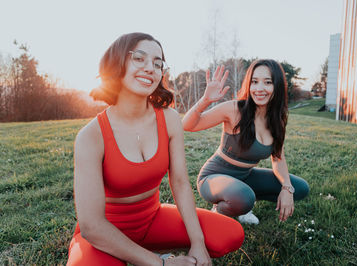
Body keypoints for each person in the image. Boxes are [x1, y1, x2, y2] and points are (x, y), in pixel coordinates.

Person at [67, 33, 244, 266]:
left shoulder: (169, 118)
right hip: (105, 231)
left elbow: (180, 182)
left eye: (158, 63)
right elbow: (92, 226)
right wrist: (161, 263)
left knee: (229, 233)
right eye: (139, 59)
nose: (150, 68)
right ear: (117, 63)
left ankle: (143, 249)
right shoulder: (90, 136)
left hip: (153, 219)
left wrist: (198, 242)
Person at [182, 60, 309, 225]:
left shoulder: (277, 120)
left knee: (299, 188)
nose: (259, 88)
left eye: (268, 82)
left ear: (276, 86)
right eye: (254, 82)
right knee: (244, 198)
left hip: (245, 177)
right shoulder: (234, 110)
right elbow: (187, 125)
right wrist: (205, 100)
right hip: (213, 177)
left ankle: (241, 198)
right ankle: (220, 209)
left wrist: (286, 188)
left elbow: (278, 159)